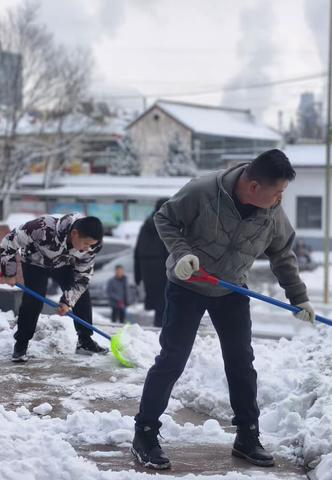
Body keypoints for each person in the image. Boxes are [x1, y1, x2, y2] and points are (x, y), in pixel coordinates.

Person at [131, 149, 315, 470]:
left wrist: (298, 299)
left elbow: (282, 255)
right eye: (278, 192)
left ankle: (247, 435)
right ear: (254, 187)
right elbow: (165, 218)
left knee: (241, 362)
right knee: (172, 359)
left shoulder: (272, 212)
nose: (280, 199)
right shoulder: (203, 191)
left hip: (231, 288)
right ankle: (145, 432)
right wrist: (181, 254)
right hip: (188, 284)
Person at [0, 214, 108, 362]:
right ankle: (21, 345)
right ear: (74, 234)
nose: (87, 248)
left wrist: (67, 302)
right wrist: (9, 272)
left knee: (82, 296)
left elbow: (82, 278)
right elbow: (9, 242)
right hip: (34, 262)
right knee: (33, 300)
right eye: (85, 244)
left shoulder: (91, 247)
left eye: (91, 245)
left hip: (64, 263)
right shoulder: (41, 228)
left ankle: (85, 341)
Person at [134, 199, 169, 327]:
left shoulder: (145, 226)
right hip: (164, 272)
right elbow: (170, 250)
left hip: (148, 274)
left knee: (159, 308)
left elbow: (137, 253)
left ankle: (159, 330)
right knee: (166, 305)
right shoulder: (166, 225)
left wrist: (138, 277)